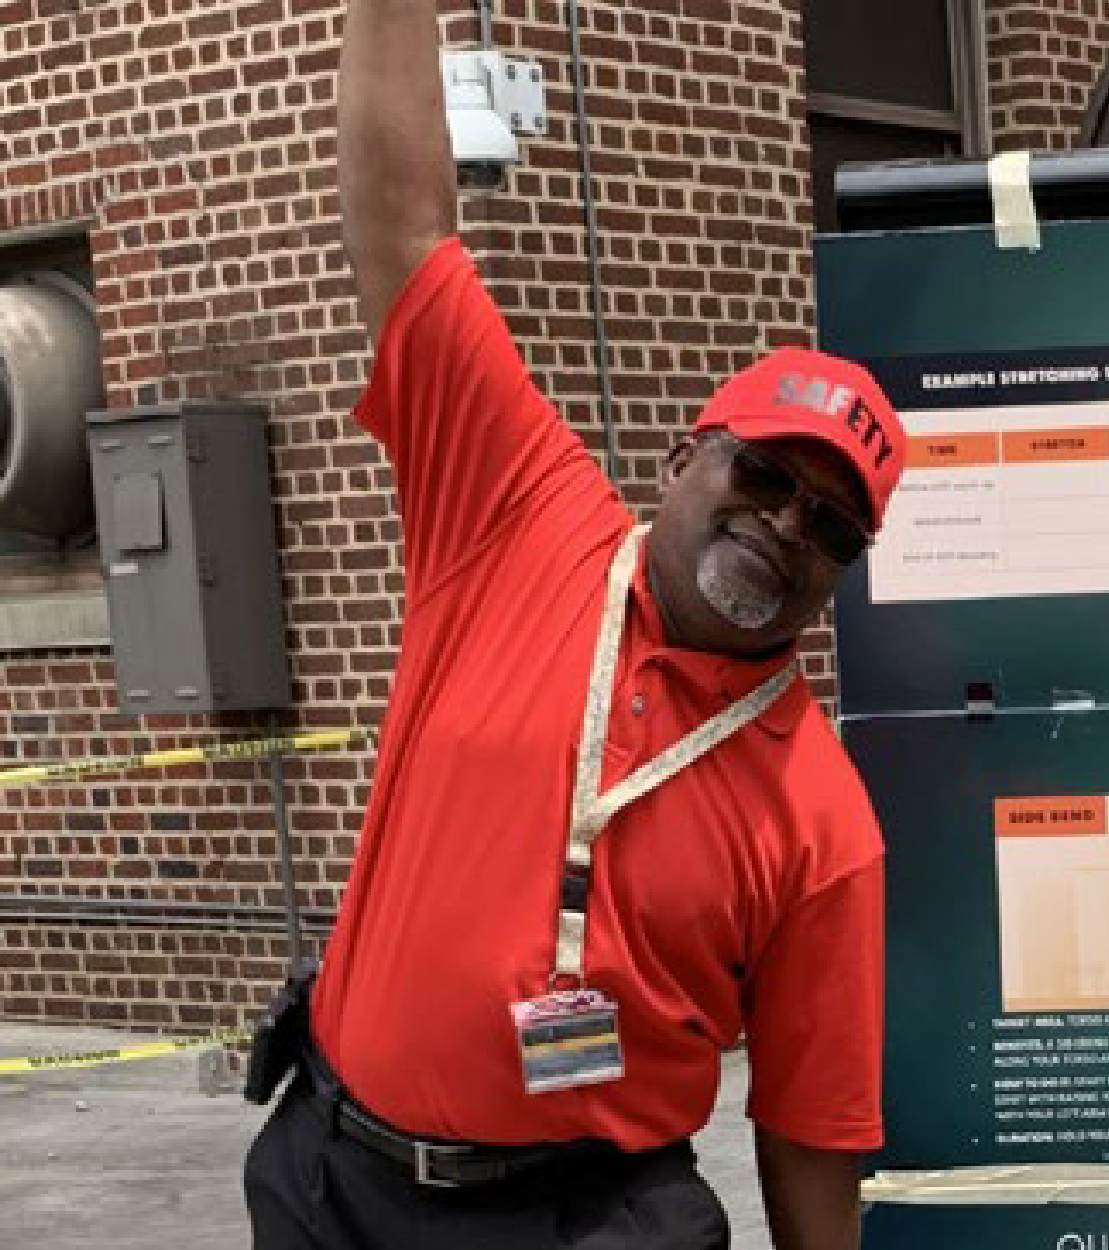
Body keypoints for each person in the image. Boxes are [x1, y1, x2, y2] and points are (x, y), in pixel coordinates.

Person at [239, 2, 904, 1247]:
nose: (785, 526)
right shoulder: (514, 510)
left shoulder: (821, 822)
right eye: (765, 475)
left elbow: (811, 1126)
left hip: (576, 1220)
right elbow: (407, 229)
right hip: (330, 1179)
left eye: (832, 524)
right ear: (682, 458)